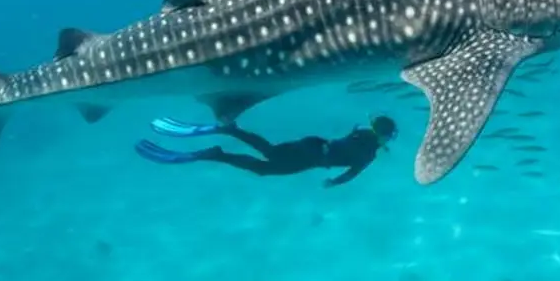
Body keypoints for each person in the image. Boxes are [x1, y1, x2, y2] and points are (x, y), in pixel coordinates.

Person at [135, 114, 398, 188]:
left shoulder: (362, 131)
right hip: (311, 157)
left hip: (312, 143)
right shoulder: (369, 153)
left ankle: (232, 130)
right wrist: (333, 182)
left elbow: (350, 142)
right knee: (263, 168)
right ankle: (218, 153)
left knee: (270, 151)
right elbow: (352, 173)